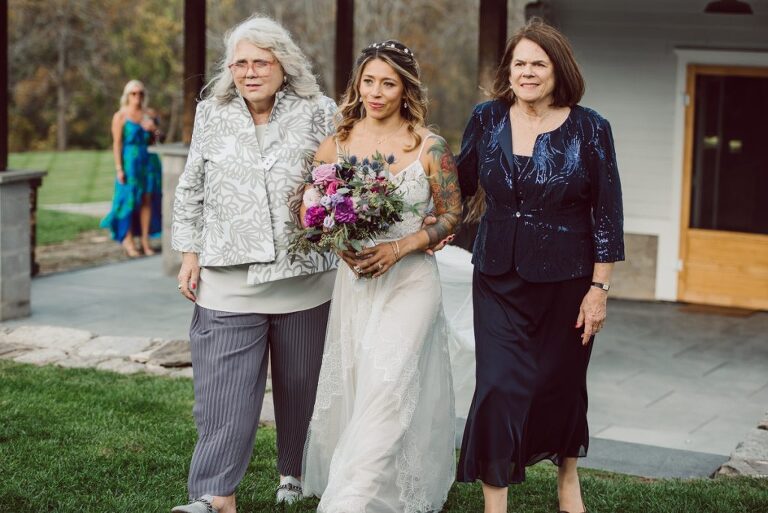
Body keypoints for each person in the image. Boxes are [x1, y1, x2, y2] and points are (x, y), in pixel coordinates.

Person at [455, 19, 625, 513]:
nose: (527, 73)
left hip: (568, 281)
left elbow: (608, 213)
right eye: (519, 63)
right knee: (497, 386)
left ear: (558, 71)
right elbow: (459, 185)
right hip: (496, 276)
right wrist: (428, 224)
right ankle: (496, 503)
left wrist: (599, 288)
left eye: (538, 64)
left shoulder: (591, 128)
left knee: (560, 385)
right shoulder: (486, 118)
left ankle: (567, 478)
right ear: (508, 69)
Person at [170, 15, 337, 513]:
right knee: (223, 395)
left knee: (301, 387)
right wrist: (189, 253)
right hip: (227, 277)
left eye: (260, 61)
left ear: (283, 64)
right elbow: (191, 188)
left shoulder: (319, 111)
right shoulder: (211, 113)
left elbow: (338, 183)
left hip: (304, 276)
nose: (249, 71)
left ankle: (295, 472)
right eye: (239, 63)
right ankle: (216, 495)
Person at [302, 40, 461, 513]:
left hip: (412, 282)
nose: (376, 92)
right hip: (358, 283)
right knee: (366, 382)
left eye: (388, 83)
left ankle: (354, 499)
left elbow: (452, 214)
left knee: (391, 382)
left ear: (405, 89)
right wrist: (342, 246)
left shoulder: (430, 147)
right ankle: (374, 485)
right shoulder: (336, 143)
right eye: (368, 81)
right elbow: (316, 211)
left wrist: (402, 246)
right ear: (357, 84)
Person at [101, 80, 163, 256]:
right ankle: (128, 241)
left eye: (141, 93)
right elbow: (117, 144)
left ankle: (145, 240)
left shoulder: (149, 114)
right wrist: (119, 168)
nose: (137, 97)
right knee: (128, 200)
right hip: (130, 162)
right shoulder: (120, 116)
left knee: (146, 200)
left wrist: (153, 129)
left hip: (148, 161)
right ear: (127, 95)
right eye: (134, 93)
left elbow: (159, 139)